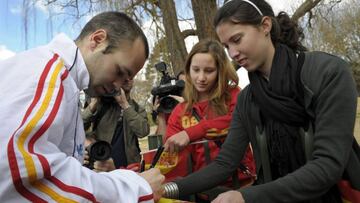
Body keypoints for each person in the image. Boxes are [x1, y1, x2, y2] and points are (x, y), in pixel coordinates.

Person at [163, 0, 359, 202]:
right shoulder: (247, 99)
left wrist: (246, 196)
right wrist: (168, 189)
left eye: (237, 39)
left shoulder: (327, 73)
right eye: (226, 46)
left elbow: (328, 164)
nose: (232, 53)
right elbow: (225, 163)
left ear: (265, 26)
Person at [0, 11, 164, 202]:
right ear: (97, 40)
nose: (118, 86)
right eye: (119, 71)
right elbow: (23, 175)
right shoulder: (48, 75)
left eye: (126, 80)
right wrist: (135, 188)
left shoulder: (65, 82)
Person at [163, 39, 255, 194]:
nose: (201, 78)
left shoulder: (233, 95)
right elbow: (171, 154)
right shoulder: (180, 111)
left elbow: (235, 121)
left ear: (220, 71)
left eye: (209, 70)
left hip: (242, 187)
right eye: (196, 70)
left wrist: (191, 132)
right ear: (188, 70)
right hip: (202, 191)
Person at [82, 76, 150, 171]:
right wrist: (93, 104)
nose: (127, 79)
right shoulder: (101, 105)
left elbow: (143, 132)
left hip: (130, 167)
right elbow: (79, 127)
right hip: (103, 165)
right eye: (124, 76)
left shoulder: (137, 109)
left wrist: (125, 105)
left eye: (131, 76)